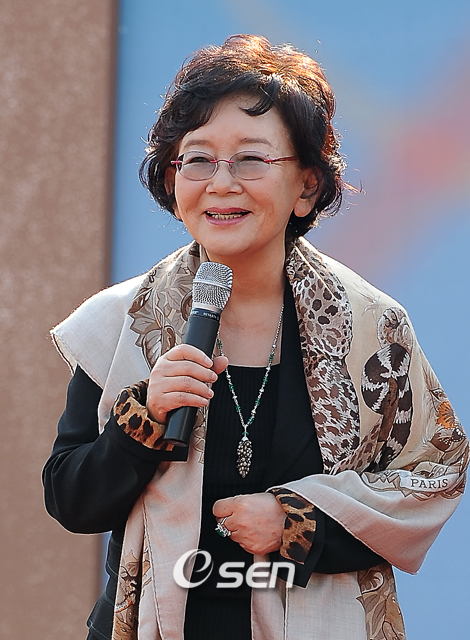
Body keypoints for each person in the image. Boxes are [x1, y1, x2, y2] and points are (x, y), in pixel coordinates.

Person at [43, 34, 468, 640]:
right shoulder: (120, 325)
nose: (221, 183)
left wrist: (301, 524)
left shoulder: (372, 328)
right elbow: (72, 499)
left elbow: (434, 472)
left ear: (307, 187)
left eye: (250, 159)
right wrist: (143, 420)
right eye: (197, 159)